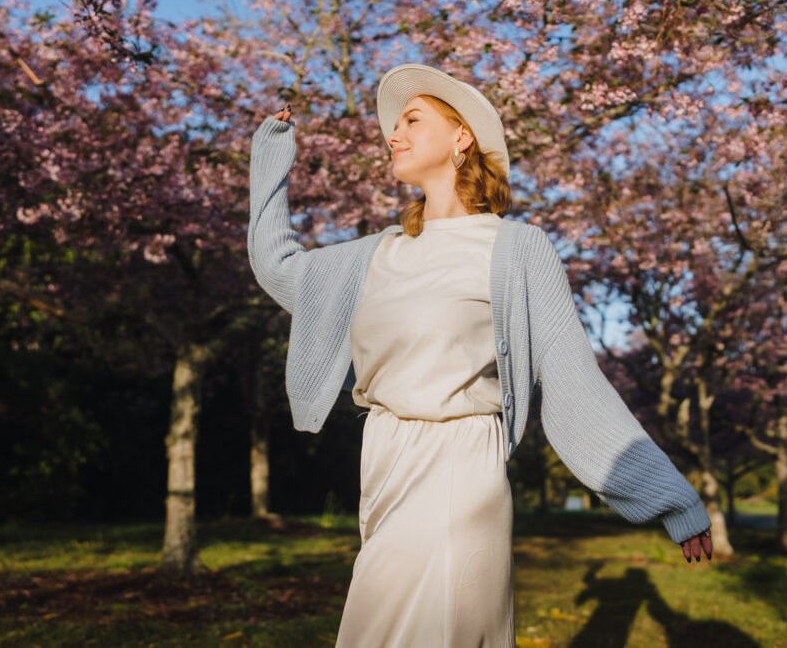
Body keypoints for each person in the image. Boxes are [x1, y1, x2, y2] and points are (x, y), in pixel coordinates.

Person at [248, 63, 713, 648]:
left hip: (460, 466)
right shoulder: (374, 256)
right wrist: (271, 158)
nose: (392, 134)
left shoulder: (516, 249)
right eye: (394, 126)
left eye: (411, 120)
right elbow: (277, 267)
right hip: (385, 461)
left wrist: (667, 497)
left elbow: (572, 379)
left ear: (461, 136)